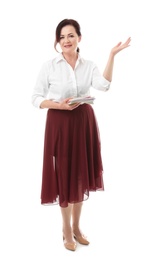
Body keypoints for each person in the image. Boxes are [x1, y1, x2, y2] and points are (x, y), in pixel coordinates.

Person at [31, 18, 131, 251]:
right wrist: (59, 105)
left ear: (79, 38)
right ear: (58, 40)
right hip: (59, 122)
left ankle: (77, 227)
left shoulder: (88, 65)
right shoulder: (50, 65)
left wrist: (112, 55)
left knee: (79, 174)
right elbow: (35, 98)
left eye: (71, 35)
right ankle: (66, 229)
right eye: (62, 37)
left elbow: (104, 86)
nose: (66, 40)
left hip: (83, 122)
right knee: (64, 174)